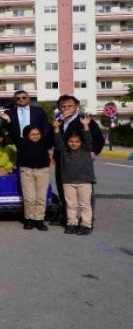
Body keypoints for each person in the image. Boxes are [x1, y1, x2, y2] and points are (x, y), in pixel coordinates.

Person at [53, 94, 105, 226]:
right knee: (64, 190)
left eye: (69, 106)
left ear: (76, 107)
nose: (66, 109)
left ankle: (87, 220)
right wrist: (57, 123)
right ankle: (67, 218)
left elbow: (98, 139)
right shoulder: (58, 121)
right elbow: (50, 138)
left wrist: (93, 152)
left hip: (81, 161)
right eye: (63, 106)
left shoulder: (85, 121)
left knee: (85, 194)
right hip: (62, 160)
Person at [53, 116, 96, 235]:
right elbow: (57, 141)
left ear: (81, 142)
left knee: (84, 204)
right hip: (68, 182)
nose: (74, 144)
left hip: (85, 181)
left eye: (77, 142)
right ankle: (72, 223)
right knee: (71, 205)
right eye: (71, 141)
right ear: (67, 142)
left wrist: (85, 125)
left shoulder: (86, 149)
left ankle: (86, 225)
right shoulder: (64, 150)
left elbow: (88, 138)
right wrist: (56, 128)